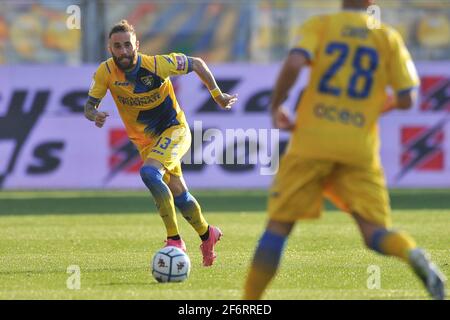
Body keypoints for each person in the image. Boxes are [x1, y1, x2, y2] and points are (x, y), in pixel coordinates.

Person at [244, 0, 446, 299]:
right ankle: (411, 252)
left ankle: (247, 304)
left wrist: (276, 105)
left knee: (278, 226)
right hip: (358, 147)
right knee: (374, 231)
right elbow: (407, 97)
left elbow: (296, 62)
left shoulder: (321, 25)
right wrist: (376, 105)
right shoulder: (387, 37)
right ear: (372, 3)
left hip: (312, 141)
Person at [84, 20, 237, 266]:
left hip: (175, 130)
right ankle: (208, 234)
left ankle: (174, 241)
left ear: (137, 45)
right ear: (109, 48)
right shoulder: (105, 72)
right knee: (179, 193)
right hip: (147, 143)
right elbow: (89, 106)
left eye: (127, 45)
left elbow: (197, 63)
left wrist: (217, 95)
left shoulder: (156, 65)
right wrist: (95, 115)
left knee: (149, 173)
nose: (123, 51)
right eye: (117, 46)